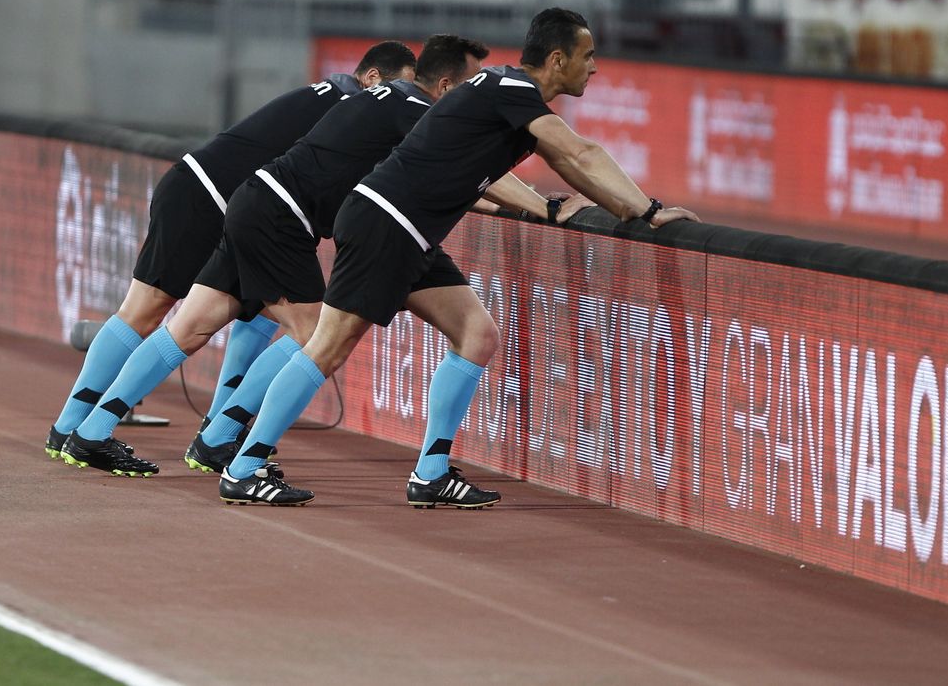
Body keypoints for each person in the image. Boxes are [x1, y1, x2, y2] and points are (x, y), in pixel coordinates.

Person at [216, 7, 700, 508]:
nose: (595, 67)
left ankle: (431, 473)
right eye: (588, 56)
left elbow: (566, 161)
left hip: (405, 228)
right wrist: (648, 210)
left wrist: (589, 207)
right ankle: (245, 466)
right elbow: (581, 154)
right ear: (558, 59)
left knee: (477, 333)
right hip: (388, 223)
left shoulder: (509, 96)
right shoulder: (512, 91)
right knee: (328, 345)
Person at [61, 35, 594, 477]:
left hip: (246, 199)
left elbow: (440, 178)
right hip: (244, 204)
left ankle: (91, 430)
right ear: (447, 86)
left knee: (194, 325)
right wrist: (543, 207)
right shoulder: (413, 109)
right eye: (469, 86)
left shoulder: (367, 100)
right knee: (309, 332)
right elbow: (467, 172)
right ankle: (221, 441)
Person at [46, 40, 419, 472]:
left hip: (238, 207)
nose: (408, 103)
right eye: (402, 88)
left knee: (256, 313)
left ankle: (216, 432)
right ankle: (76, 426)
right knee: (146, 311)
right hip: (207, 198)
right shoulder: (351, 108)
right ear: (372, 79)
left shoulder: (338, 103)